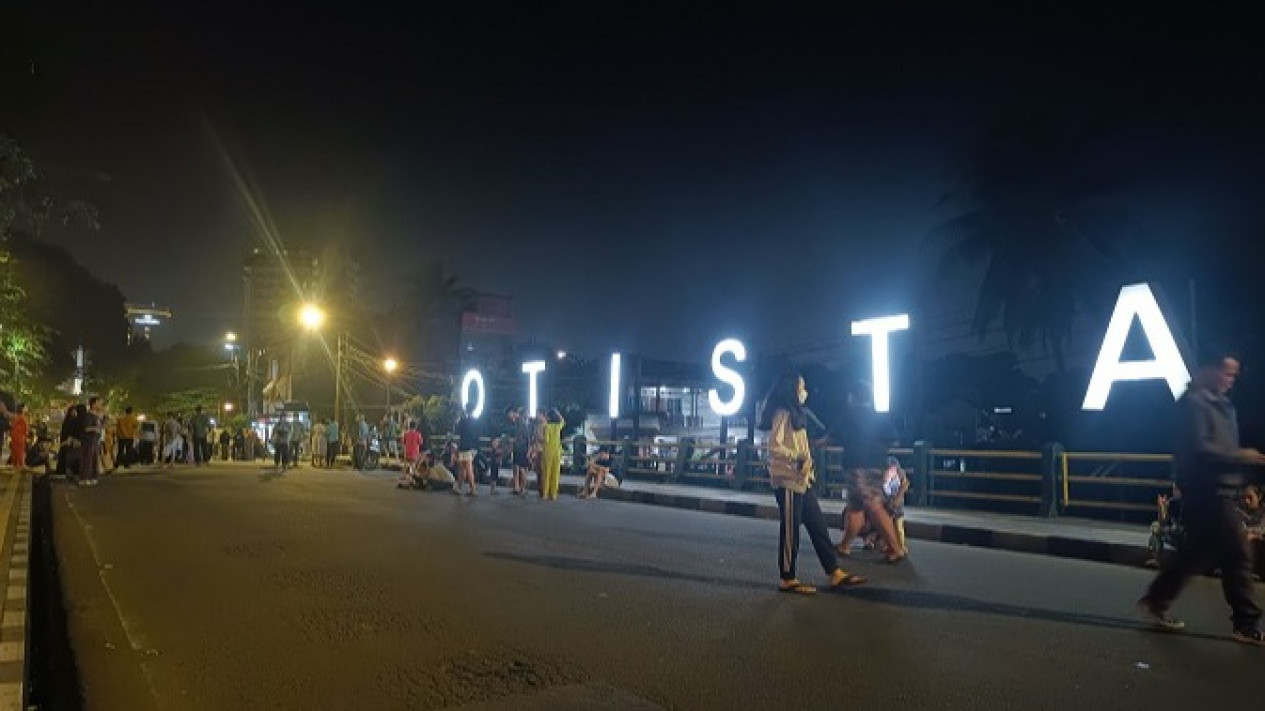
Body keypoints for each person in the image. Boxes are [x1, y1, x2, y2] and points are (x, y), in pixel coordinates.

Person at [1139, 348, 1265, 646]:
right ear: (1209, 369)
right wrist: (1243, 457)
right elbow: (1201, 450)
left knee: (1195, 555)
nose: (1230, 380)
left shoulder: (1222, 406)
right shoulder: (1194, 404)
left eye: (1233, 374)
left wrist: (1241, 478)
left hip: (1221, 491)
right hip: (1206, 491)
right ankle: (1246, 623)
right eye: (1226, 372)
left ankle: (1156, 599)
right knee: (1237, 554)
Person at [761, 372, 866, 594]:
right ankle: (787, 578)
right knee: (791, 530)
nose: (804, 390)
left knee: (818, 525)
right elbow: (773, 446)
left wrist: (806, 463)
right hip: (787, 480)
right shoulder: (782, 413)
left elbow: (800, 446)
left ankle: (834, 572)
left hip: (802, 479)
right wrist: (797, 457)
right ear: (792, 388)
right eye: (802, 386)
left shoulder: (797, 413)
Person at [835, 386, 906, 563]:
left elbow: (833, 437)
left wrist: (814, 443)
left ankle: (896, 548)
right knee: (855, 508)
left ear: (853, 397)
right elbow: (894, 440)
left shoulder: (850, 417)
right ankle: (845, 545)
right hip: (874, 465)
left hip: (858, 467)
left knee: (873, 506)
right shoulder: (879, 417)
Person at [454, 404, 480, 496]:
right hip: (471, 447)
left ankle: (466, 488)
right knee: (468, 469)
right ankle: (468, 488)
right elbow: (477, 435)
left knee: (463, 469)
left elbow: (458, 431)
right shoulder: (475, 421)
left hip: (463, 446)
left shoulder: (462, 421)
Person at [540, 408, 565, 501]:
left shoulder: (547, 427)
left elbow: (545, 440)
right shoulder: (558, 426)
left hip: (548, 451)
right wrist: (557, 413)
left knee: (546, 473)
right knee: (556, 473)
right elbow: (563, 420)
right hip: (557, 451)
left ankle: (545, 494)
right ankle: (553, 494)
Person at [79, 397, 104, 487]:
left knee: (94, 460)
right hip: (88, 440)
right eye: (98, 403)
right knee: (87, 459)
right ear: (93, 404)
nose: (100, 405)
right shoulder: (88, 415)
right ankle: (85, 478)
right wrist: (95, 429)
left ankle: (93, 477)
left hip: (95, 440)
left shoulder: (96, 416)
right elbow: (86, 428)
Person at [9, 404, 28, 471]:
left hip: (15, 436)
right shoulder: (21, 417)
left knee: (15, 451)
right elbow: (25, 429)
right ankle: (20, 465)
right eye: (25, 407)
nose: (26, 408)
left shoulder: (16, 417)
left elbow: (12, 426)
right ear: (22, 409)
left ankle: (15, 465)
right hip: (19, 437)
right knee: (19, 451)